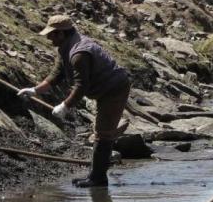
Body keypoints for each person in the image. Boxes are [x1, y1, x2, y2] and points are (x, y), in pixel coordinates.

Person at [17, 15, 130, 188]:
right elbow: (56, 75)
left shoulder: (79, 54)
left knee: (103, 133)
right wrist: (34, 90)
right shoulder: (65, 47)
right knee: (100, 132)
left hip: (114, 89)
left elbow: (81, 86)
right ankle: (95, 175)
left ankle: (98, 179)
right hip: (102, 89)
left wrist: (65, 105)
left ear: (61, 34)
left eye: (52, 35)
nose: (49, 38)